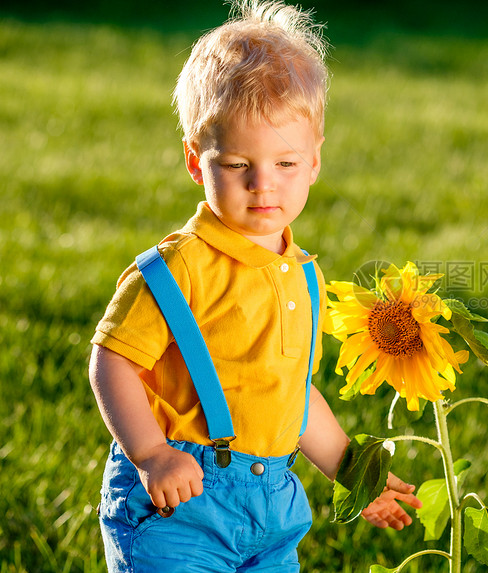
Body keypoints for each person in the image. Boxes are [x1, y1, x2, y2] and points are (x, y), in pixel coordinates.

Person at [88, 2, 421, 571]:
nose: (264, 185)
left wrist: (350, 470)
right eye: (239, 164)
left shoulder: (302, 272)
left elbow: (292, 397)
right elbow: (110, 361)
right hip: (180, 508)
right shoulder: (179, 268)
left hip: (273, 512)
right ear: (197, 163)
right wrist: (151, 454)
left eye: (286, 164)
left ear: (314, 162)